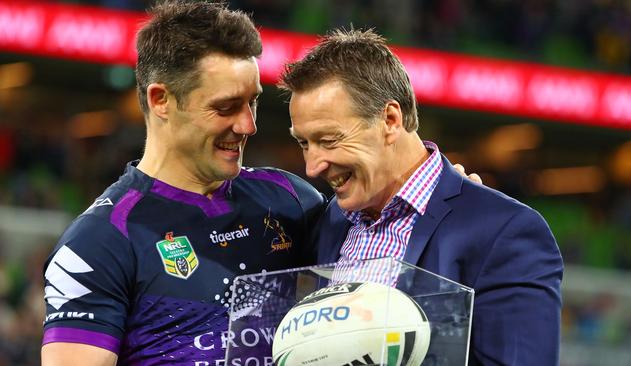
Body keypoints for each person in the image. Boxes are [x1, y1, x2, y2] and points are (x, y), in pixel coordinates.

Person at [40, 1, 326, 365]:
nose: (247, 126)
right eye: (226, 107)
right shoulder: (98, 243)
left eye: (252, 103)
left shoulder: (291, 200)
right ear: (161, 100)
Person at [279, 28, 564, 365]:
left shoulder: (504, 231)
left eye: (329, 140)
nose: (312, 166)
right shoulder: (327, 223)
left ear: (390, 119)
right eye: (304, 143)